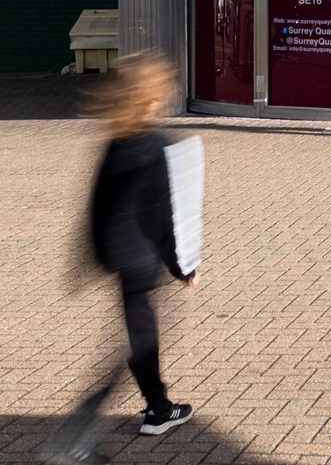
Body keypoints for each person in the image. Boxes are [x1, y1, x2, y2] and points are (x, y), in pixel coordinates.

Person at [46, 52, 197, 455]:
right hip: (143, 260)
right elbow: (164, 216)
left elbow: (96, 203)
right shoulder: (156, 146)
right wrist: (181, 266)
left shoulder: (115, 142)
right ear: (151, 99)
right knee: (137, 344)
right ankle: (76, 441)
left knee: (137, 335)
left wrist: (88, 257)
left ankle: (158, 407)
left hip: (117, 256)